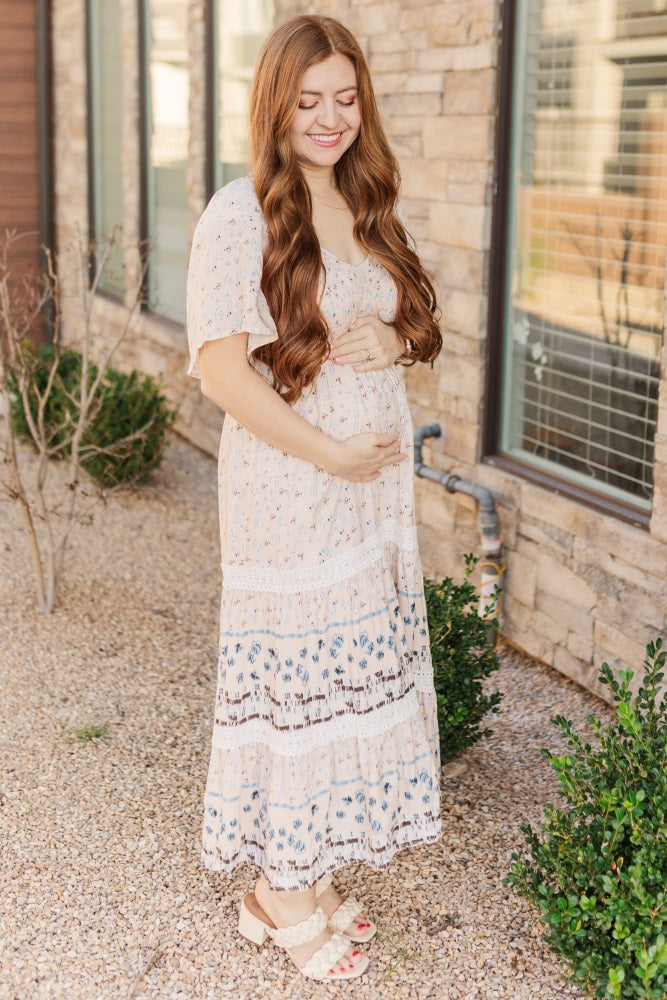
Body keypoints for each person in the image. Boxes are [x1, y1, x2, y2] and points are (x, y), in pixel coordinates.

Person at [186, 13, 443, 984]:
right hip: (291, 487)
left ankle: (292, 873)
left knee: (346, 679)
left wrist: (396, 338)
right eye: (309, 101)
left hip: (368, 495)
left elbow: (412, 319)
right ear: (275, 106)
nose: (330, 119)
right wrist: (331, 454)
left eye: (345, 99)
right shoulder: (239, 213)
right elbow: (221, 373)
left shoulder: (364, 199)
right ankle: (282, 896)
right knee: (299, 688)